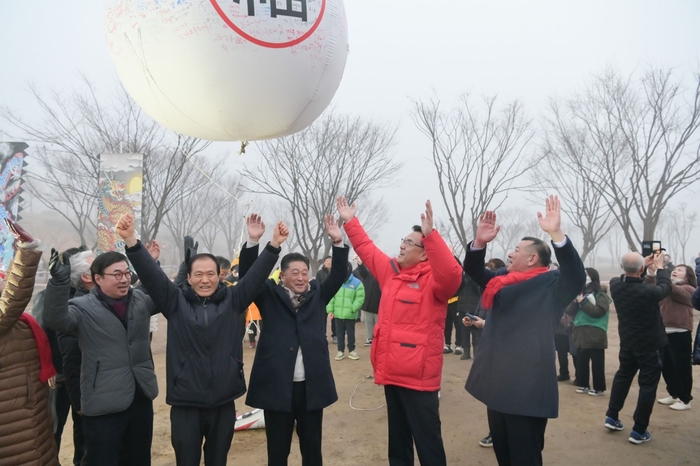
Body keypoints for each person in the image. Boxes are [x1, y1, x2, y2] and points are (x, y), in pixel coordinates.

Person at [118, 213, 287, 466]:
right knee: (187, 460)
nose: (205, 279)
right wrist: (132, 240)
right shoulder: (174, 301)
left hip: (223, 400)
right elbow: (152, 276)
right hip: (186, 402)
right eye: (198, 274)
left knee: (218, 460)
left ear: (219, 276)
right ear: (189, 277)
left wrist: (272, 245)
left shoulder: (233, 300)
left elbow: (255, 278)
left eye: (211, 274)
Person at [338, 197, 462, 466]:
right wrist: (350, 222)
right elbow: (368, 250)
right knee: (398, 442)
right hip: (392, 373)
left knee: (428, 443)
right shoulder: (391, 273)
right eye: (403, 241)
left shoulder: (435, 282)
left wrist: (431, 236)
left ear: (425, 251)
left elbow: (452, 275)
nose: (402, 245)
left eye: (409, 243)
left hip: (419, 378)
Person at [463, 195, 585, 466]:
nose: (510, 252)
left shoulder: (552, 285)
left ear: (532, 259)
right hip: (496, 381)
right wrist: (480, 243)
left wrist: (556, 234)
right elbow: (472, 270)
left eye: (516, 250)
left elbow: (576, 276)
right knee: (503, 452)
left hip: (526, 386)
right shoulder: (501, 280)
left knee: (525, 456)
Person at [239, 214, 347, 466]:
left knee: (312, 450)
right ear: (282, 276)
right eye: (294, 273)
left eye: (304, 273)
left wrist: (338, 241)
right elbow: (248, 277)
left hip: (311, 388)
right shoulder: (268, 295)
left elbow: (339, 274)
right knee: (278, 452)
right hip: (277, 387)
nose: (300, 278)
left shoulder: (318, 294)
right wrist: (260, 242)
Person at [44, 241, 161, 466]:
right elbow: (55, 320)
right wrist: (58, 282)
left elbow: (161, 289)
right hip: (102, 402)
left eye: (127, 273)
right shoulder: (81, 307)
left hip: (140, 396)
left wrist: (149, 261)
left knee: (139, 459)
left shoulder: (140, 301)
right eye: (116, 274)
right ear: (97, 278)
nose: (125, 279)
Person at [0, 220, 58, 466]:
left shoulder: (19, 322)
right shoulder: (5, 317)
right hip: (15, 432)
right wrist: (26, 251)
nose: (3, 283)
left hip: (33, 419)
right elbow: (13, 298)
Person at [604, 250, 671, 444]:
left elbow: (631, 279)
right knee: (648, 386)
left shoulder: (616, 285)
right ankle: (639, 429)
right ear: (641, 268)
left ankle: (612, 415)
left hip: (628, 342)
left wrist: (644, 269)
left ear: (621, 268)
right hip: (651, 344)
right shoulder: (649, 292)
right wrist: (659, 268)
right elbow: (666, 287)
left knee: (623, 376)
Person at [41, 248, 94, 466]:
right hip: (59, 375)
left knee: (82, 427)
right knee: (54, 425)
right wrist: (48, 366)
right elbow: (43, 332)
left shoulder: (93, 297)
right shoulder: (51, 296)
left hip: (84, 375)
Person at [654, 264, 696, 410]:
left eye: (679, 270)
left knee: (682, 367)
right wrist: (652, 271)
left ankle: (685, 399)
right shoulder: (667, 287)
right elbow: (652, 286)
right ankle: (674, 394)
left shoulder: (689, 289)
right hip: (664, 331)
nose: (675, 271)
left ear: (687, 276)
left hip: (680, 332)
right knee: (666, 366)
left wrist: (663, 274)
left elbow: (674, 290)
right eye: (674, 269)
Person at [569, 267, 611, 396]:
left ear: (592, 277)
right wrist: (576, 302)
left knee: (597, 361)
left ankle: (599, 388)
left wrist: (584, 302)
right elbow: (569, 311)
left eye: (586, 274)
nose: (584, 277)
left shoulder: (600, 294)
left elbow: (599, 311)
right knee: (581, 360)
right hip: (580, 330)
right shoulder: (579, 292)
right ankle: (583, 384)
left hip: (595, 331)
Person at [327, 262, 365, 360]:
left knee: (351, 333)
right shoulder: (336, 281)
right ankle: (340, 351)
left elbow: (360, 298)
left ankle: (352, 350)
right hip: (338, 314)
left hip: (350, 314)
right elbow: (331, 297)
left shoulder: (357, 283)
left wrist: (353, 308)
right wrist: (330, 310)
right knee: (339, 333)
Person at [353, 257, 381, 346]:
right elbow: (363, 271)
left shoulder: (382, 276)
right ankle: (369, 338)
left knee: (378, 324)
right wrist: (360, 263)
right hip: (368, 304)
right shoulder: (368, 275)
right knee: (368, 323)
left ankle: (378, 339)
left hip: (378, 305)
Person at [316, 255, 335, 343]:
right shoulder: (320, 273)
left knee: (334, 318)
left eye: (330, 261)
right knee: (322, 318)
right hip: (323, 298)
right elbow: (317, 285)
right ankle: (323, 335)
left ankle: (335, 335)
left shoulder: (336, 272)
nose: (329, 262)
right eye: (327, 261)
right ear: (324, 263)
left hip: (334, 298)